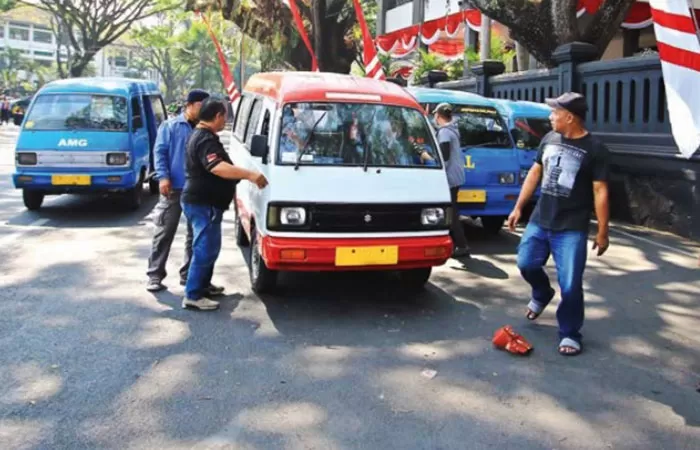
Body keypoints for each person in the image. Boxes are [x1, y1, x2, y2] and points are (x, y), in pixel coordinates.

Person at [507, 92, 610, 357]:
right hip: (541, 220)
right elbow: (535, 172)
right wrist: (518, 207)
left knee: (571, 285)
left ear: (570, 117)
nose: (551, 117)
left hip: (572, 227)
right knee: (526, 263)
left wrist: (602, 231)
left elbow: (600, 191)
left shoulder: (595, 149)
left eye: (555, 113)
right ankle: (541, 293)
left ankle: (569, 333)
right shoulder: (549, 139)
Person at [181, 98, 268, 311]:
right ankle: (193, 295)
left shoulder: (204, 136)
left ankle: (203, 285)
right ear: (218, 116)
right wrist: (249, 174)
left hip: (206, 202)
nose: (225, 121)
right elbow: (217, 167)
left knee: (209, 246)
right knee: (204, 248)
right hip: (203, 202)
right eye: (224, 117)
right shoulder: (204, 139)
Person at [146, 89, 218, 293]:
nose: (204, 110)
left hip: (197, 190)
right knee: (164, 232)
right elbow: (159, 152)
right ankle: (155, 274)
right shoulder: (171, 126)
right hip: (174, 188)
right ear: (190, 105)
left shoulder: (205, 130)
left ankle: (190, 276)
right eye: (201, 106)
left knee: (195, 235)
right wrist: (163, 177)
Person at [434, 103, 470, 258]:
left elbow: (444, 158)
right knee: (452, 211)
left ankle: (461, 245)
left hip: (449, 177)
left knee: (452, 213)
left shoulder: (444, 133)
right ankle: (459, 244)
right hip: (457, 176)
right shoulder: (452, 129)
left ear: (438, 116)